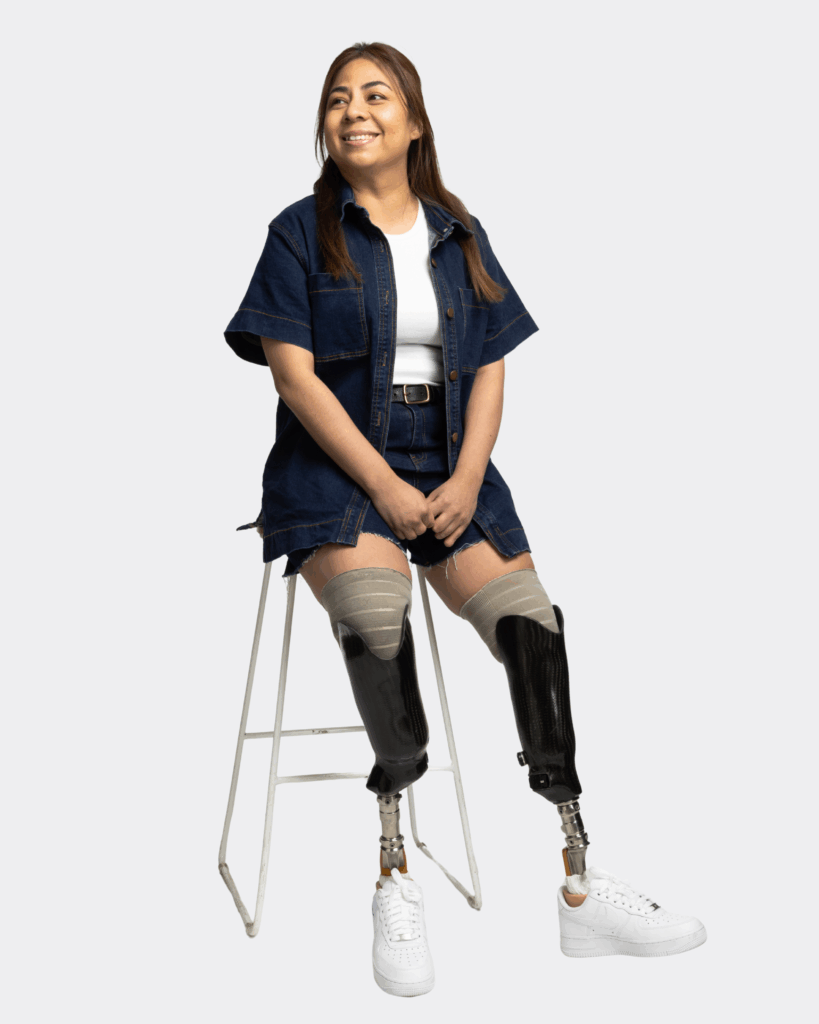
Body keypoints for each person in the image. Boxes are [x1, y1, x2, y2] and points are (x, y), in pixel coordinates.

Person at [224, 41, 706, 997]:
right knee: (378, 622)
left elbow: (488, 365)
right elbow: (294, 378)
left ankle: (579, 882)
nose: (353, 111)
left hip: (452, 464)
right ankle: (393, 872)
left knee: (533, 627)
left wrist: (467, 474)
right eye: (336, 98)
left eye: (375, 95)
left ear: (412, 122)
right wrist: (386, 488)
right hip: (337, 468)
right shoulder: (298, 232)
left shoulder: (459, 232)